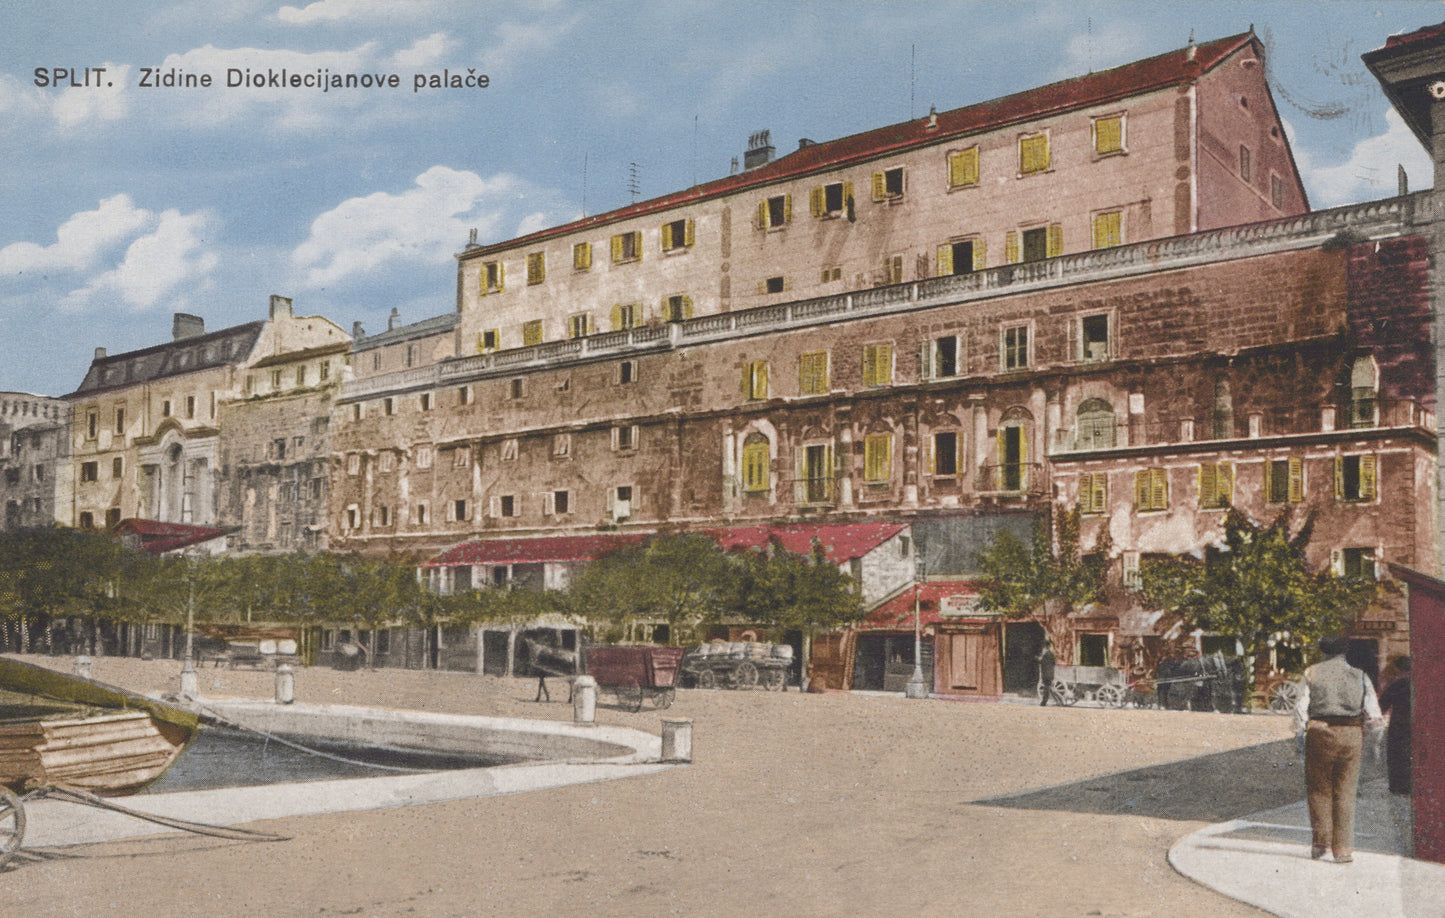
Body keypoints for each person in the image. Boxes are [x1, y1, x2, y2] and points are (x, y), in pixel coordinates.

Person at [1293, 636, 1383, 864]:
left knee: (1319, 788)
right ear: (1345, 651)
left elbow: (1300, 709)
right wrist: (1370, 741)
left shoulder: (1311, 672)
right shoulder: (1360, 675)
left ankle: (1320, 842)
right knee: (1345, 791)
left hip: (1320, 731)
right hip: (1351, 733)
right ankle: (1343, 850)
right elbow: (1374, 715)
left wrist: (1299, 737)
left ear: (1324, 651)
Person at [1378, 657, 1412, 796]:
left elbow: (1382, 706)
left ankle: (1399, 788)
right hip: (1416, 726)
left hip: (1399, 725)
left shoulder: (1398, 685)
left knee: (1398, 756)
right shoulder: (1423, 684)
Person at [1036, 637, 1060, 706]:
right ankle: (1057, 700)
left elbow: (1043, 662)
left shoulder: (1047, 654)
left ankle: (1044, 702)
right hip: (1050, 673)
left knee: (1046, 688)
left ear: (1045, 647)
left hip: (1047, 674)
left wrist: (1038, 659)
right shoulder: (1051, 654)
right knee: (1049, 688)